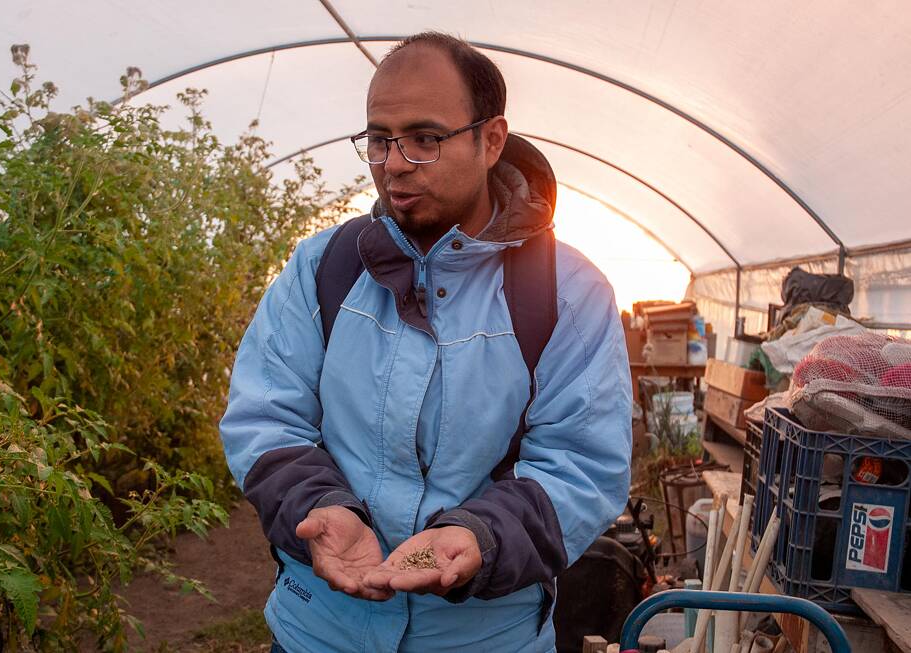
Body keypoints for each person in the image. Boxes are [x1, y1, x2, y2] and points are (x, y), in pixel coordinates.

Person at [220, 32, 632, 653]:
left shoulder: (564, 294)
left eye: (425, 138)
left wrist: (480, 536)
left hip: (485, 639)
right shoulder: (323, 270)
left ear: (491, 140)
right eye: (380, 139)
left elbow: (581, 465)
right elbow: (265, 417)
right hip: (318, 632)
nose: (393, 162)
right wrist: (322, 507)